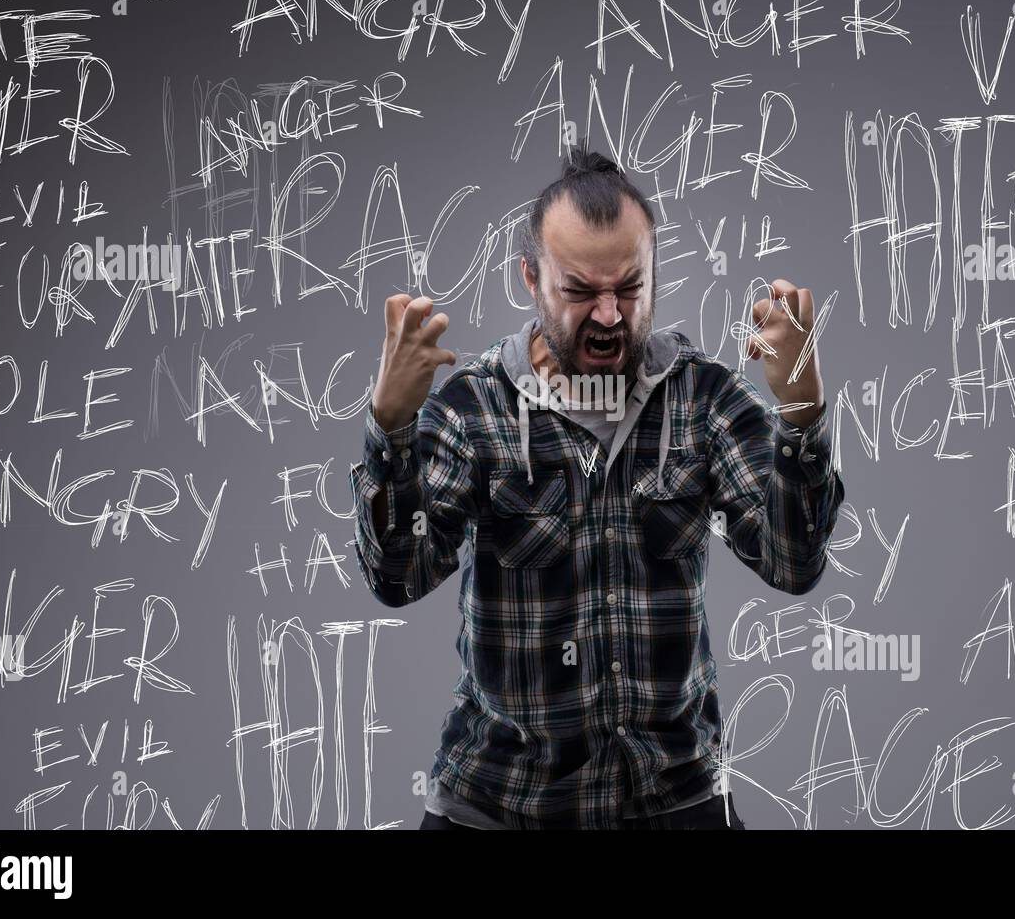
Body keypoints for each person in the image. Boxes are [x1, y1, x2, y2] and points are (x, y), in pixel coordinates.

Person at [349, 144, 845, 829]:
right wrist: (391, 429)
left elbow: (793, 564)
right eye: (580, 291)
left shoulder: (703, 399)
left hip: (676, 801)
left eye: (629, 288)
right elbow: (397, 578)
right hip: (499, 806)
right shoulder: (475, 408)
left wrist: (802, 414)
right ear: (530, 277)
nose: (609, 316)